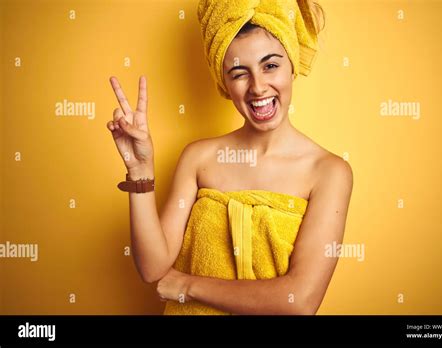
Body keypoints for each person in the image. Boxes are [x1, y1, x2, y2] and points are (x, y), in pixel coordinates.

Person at [106, 0, 353, 315]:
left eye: (271, 65)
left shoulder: (329, 172)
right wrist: (140, 170)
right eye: (239, 73)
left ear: (291, 66)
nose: (258, 87)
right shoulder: (198, 157)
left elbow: (300, 300)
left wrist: (185, 286)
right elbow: (153, 268)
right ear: (224, 82)